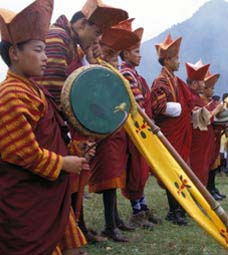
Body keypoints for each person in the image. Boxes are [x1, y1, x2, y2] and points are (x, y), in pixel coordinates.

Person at [37, 0, 129, 248]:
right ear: (80, 24)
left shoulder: (71, 42)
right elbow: (55, 93)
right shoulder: (58, 37)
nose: (97, 40)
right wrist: (72, 132)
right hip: (49, 127)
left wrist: (89, 58)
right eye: (96, 33)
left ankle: (74, 230)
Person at [0, 1, 87, 254]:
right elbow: (22, 152)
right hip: (27, 200)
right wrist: (63, 163)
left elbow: (54, 136)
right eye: (38, 50)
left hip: (49, 194)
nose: (46, 57)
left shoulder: (35, 90)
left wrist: (75, 150)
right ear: (14, 53)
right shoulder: (10, 95)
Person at [86, 23, 140, 243]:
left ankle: (115, 219)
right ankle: (109, 224)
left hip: (117, 132)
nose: (115, 62)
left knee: (116, 176)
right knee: (109, 178)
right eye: (111, 56)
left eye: (117, 58)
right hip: (104, 132)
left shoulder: (114, 75)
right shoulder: (96, 73)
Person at [118, 19, 161, 228]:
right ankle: (137, 211)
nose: (139, 55)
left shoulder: (135, 73)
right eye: (135, 51)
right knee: (135, 169)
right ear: (125, 54)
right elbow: (137, 105)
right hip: (135, 130)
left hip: (142, 129)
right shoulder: (126, 72)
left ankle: (142, 207)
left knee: (140, 169)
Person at [151, 33, 192, 226]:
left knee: (180, 168)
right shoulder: (160, 81)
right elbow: (157, 107)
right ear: (166, 60)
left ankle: (180, 207)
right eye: (175, 58)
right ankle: (173, 209)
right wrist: (177, 108)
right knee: (172, 169)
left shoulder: (175, 81)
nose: (178, 61)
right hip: (169, 133)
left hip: (178, 132)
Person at [186, 60, 223, 187]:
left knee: (203, 170)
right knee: (197, 171)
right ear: (195, 83)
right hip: (197, 143)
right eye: (202, 80)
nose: (204, 83)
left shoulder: (196, 97)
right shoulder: (192, 98)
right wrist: (216, 110)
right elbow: (203, 119)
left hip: (203, 143)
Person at [203, 72, 226, 200]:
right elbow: (206, 118)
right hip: (205, 137)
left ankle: (212, 187)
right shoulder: (202, 102)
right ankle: (208, 189)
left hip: (214, 136)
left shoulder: (210, 102)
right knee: (208, 163)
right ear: (205, 88)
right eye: (211, 88)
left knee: (214, 163)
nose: (212, 91)